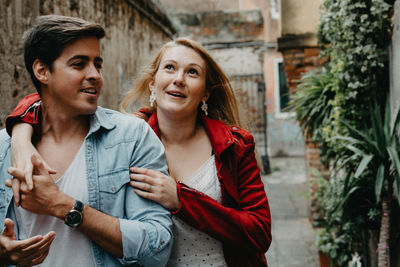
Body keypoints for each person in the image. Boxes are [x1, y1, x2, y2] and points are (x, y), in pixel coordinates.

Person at [7, 37, 272, 266]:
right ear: (152, 84)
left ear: (205, 93)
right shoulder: (127, 139)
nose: (179, 79)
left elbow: (260, 232)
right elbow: (50, 98)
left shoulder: (233, 145)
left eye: (192, 72)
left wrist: (181, 200)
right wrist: (20, 132)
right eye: (170, 68)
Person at [0, 15, 173, 266]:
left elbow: (158, 248)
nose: (95, 75)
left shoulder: (132, 137)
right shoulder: (6, 148)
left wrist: (63, 206)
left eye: (97, 64)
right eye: (79, 64)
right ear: (42, 71)